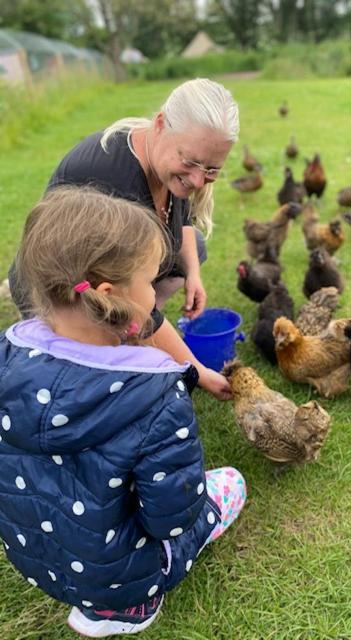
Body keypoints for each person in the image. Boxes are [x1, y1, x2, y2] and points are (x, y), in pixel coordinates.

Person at [0, 187, 246, 638]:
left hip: (37, 558)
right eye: (151, 282)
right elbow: (172, 517)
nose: (155, 293)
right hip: (117, 576)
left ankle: (93, 587)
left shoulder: (8, 357)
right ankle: (130, 607)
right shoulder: (154, 394)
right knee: (229, 485)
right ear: (110, 294)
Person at [8, 77, 239, 401]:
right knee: (99, 386)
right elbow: (118, 290)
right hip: (63, 294)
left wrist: (194, 276)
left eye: (212, 170)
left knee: (193, 250)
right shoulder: (113, 182)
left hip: (112, 280)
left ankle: (133, 335)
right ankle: (121, 340)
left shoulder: (172, 163)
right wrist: (198, 372)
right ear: (161, 124)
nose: (199, 180)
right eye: (190, 163)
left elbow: (181, 217)